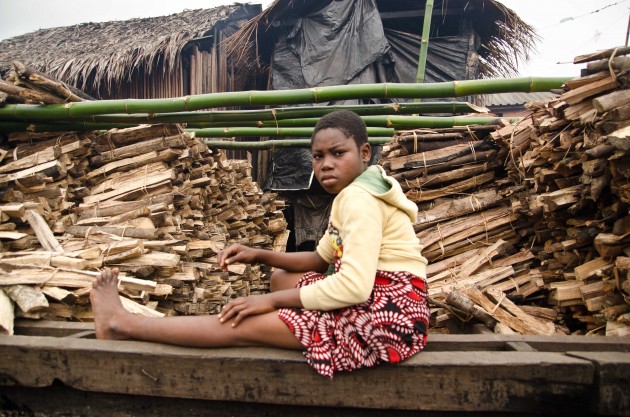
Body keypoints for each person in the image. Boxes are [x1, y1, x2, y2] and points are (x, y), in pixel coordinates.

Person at [90, 110, 430, 378]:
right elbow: (318, 258)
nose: (325, 164)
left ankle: (122, 324)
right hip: (396, 303)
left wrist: (266, 302)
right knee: (281, 277)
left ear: (364, 152)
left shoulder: (358, 200)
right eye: (317, 156)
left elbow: (353, 289)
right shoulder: (358, 192)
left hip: (386, 321)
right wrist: (257, 255)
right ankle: (285, 325)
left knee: (238, 323)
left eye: (337, 153)